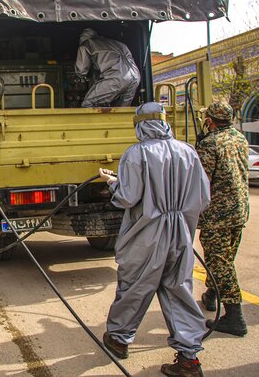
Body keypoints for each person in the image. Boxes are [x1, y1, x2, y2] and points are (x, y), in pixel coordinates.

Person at [98, 102, 211, 377]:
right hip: (180, 234)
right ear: (164, 122)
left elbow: (127, 197)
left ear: (140, 125)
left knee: (135, 287)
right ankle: (188, 359)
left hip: (146, 234)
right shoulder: (187, 152)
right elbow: (203, 198)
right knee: (180, 291)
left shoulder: (136, 154)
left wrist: (113, 181)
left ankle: (119, 339)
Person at [196, 101, 249, 337]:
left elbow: (200, 180)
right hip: (239, 210)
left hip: (217, 215)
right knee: (225, 258)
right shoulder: (240, 138)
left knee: (220, 263)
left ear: (210, 121)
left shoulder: (210, 143)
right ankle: (212, 295)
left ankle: (235, 317)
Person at [75, 28, 140, 108]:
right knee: (122, 110)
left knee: (88, 104)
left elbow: (81, 70)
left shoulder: (87, 44)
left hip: (116, 77)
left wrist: (80, 77)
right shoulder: (119, 44)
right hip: (135, 77)